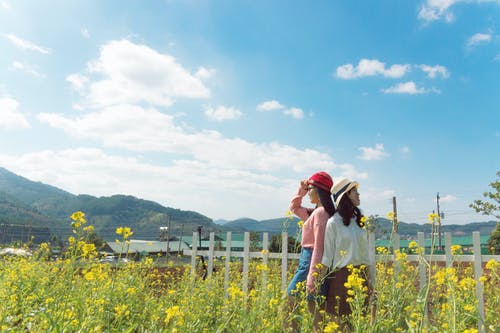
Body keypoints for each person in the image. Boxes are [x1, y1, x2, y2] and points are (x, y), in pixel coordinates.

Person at [284, 171, 336, 332]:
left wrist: (312, 279)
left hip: (311, 264)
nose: (308, 194)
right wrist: (302, 189)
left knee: (289, 305)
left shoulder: (320, 214)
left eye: (311, 189)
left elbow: (318, 247)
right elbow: (294, 207)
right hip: (313, 264)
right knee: (314, 311)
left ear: (319, 191)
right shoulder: (317, 212)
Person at [320, 177, 371, 324]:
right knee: (340, 323)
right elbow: (327, 256)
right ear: (345, 196)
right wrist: (317, 284)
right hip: (340, 276)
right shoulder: (333, 222)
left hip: (360, 274)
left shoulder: (360, 219)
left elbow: (365, 252)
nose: (358, 194)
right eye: (354, 191)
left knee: (359, 322)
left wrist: (369, 280)